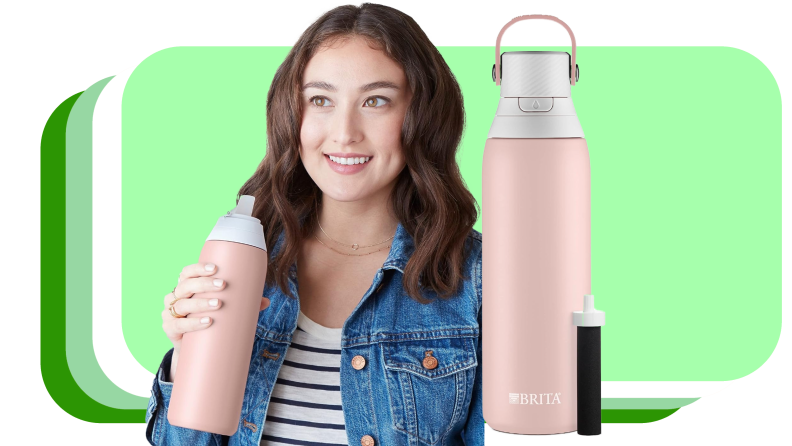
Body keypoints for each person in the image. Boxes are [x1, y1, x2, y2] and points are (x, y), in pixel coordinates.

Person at [145, 2, 483, 445]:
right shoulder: (250, 257)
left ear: (421, 116)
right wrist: (186, 357)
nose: (344, 132)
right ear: (292, 114)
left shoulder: (477, 278)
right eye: (320, 99)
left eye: (376, 101)